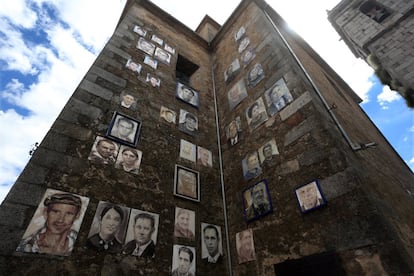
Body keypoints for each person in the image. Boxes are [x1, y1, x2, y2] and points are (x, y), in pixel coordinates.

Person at [16, 192, 83, 256]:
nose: (60, 220)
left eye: (69, 214)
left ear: (77, 216)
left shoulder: (81, 244)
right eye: (55, 211)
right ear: (45, 213)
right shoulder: (25, 245)